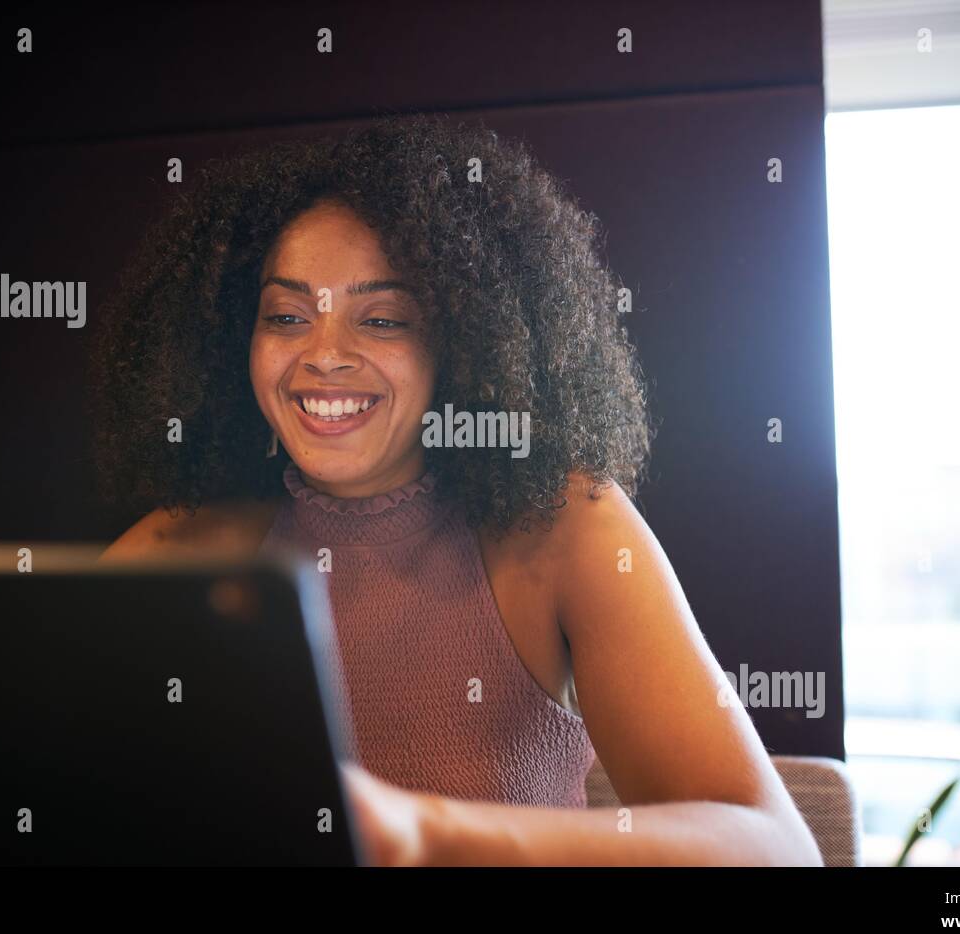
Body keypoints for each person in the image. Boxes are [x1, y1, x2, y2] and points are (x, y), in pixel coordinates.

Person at [92, 113, 822, 866]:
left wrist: (421, 834)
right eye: (286, 315)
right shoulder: (179, 550)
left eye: (381, 318)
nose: (325, 355)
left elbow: (776, 851)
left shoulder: (566, 525)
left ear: (468, 344)